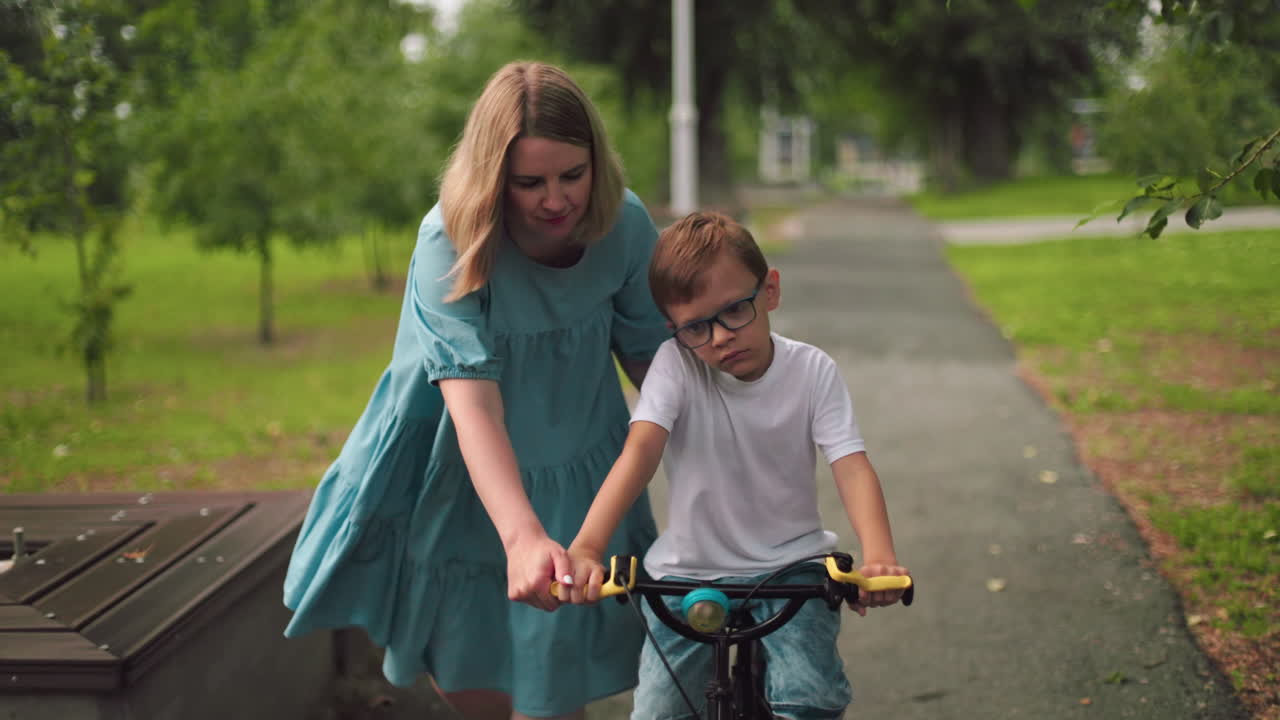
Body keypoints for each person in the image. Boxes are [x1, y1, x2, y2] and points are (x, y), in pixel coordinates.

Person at [281, 61, 670, 720]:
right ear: (494, 178)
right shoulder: (452, 239)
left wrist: (726, 454)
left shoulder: (624, 225)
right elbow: (475, 406)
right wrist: (521, 538)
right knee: (470, 675)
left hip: (576, 459)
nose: (556, 200)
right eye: (529, 183)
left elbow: (654, 362)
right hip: (461, 468)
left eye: (573, 175)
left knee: (550, 686)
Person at [558, 211, 910, 720]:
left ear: (770, 291)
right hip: (688, 572)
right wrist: (588, 548)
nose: (720, 337)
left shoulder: (812, 370)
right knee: (659, 712)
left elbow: (850, 466)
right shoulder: (676, 366)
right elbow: (640, 452)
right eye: (696, 327)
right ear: (673, 329)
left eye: (735, 311)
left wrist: (879, 556)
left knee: (808, 698)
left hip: (791, 567)